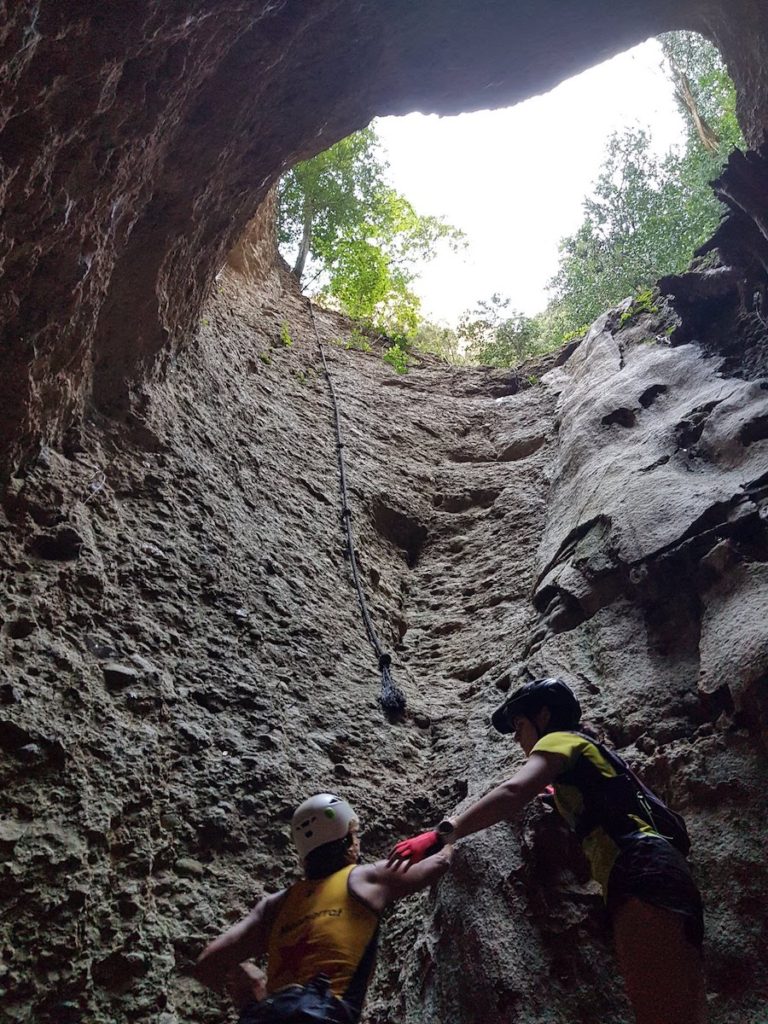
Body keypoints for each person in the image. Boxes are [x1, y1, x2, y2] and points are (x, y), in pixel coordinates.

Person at [388, 677, 707, 1024]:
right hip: (664, 871)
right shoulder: (593, 758)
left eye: (519, 725)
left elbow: (513, 791)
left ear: (543, 716)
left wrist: (442, 834)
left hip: (639, 870)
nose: (515, 737)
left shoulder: (560, 739)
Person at [196, 792, 452, 1023]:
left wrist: (250, 992)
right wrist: (445, 833)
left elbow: (210, 960)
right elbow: (440, 862)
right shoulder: (364, 879)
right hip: (322, 1013)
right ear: (349, 841)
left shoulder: (273, 906)